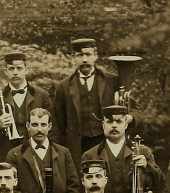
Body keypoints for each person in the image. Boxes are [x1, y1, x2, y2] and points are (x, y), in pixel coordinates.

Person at [50, 38, 140, 169]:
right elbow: (57, 125)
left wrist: (128, 118)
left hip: (108, 142)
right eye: (80, 55)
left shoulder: (112, 80)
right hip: (77, 148)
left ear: (95, 55)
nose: (84, 59)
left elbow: (137, 109)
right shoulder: (63, 87)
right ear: (73, 58)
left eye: (88, 54)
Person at [81, 105, 164, 193]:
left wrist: (147, 166)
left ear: (126, 124)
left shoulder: (143, 151)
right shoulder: (90, 155)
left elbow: (161, 185)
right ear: (103, 125)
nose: (114, 125)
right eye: (109, 122)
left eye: (119, 121)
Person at [6, 108, 79, 193]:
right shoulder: (14, 154)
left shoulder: (64, 153)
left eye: (43, 125)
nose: (39, 129)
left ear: (49, 126)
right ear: (28, 126)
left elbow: (74, 187)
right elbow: (12, 189)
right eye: (35, 125)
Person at [0, 51, 52, 162]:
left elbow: (52, 130)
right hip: (5, 155)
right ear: (5, 72)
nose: (15, 72)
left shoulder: (42, 95)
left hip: (35, 153)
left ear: (26, 69)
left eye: (19, 68)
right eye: (11, 69)